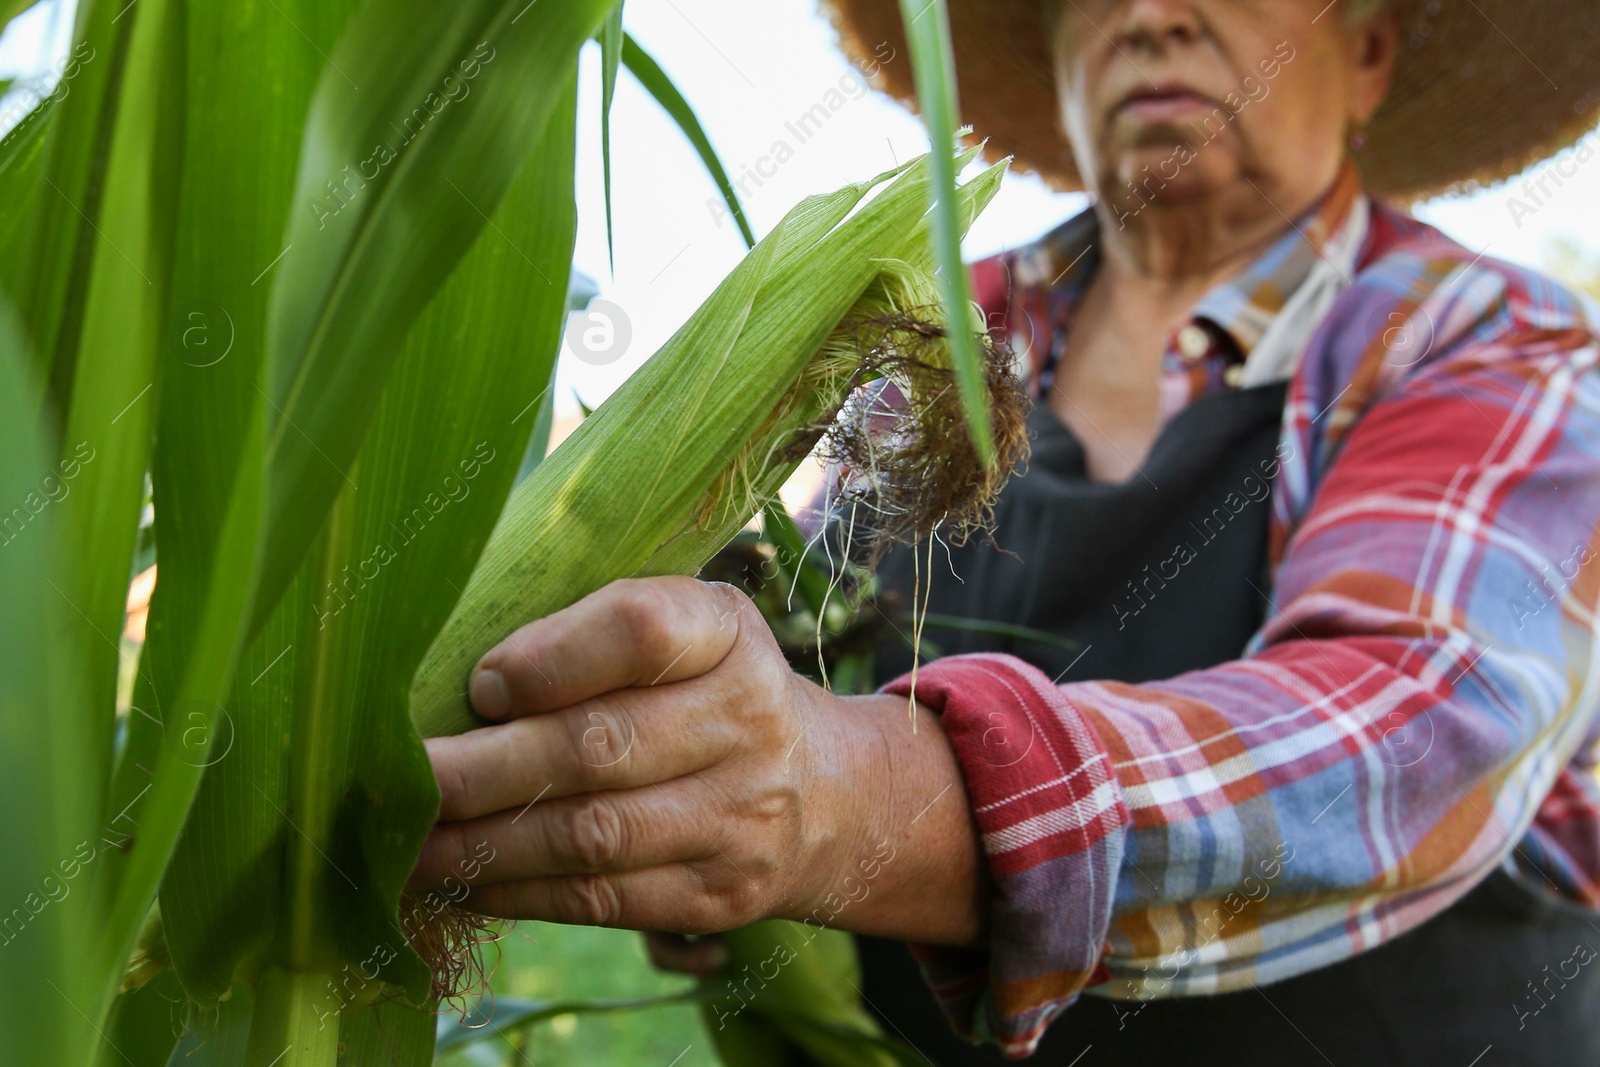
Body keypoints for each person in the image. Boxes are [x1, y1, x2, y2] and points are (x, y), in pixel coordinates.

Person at [410, 0, 1600, 1061]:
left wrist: (846, 799)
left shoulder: (1489, 337)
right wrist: (682, 752)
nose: (1150, 15)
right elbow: (817, 625)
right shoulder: (934, 322)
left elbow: (1409, 721)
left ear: (1370, 50)